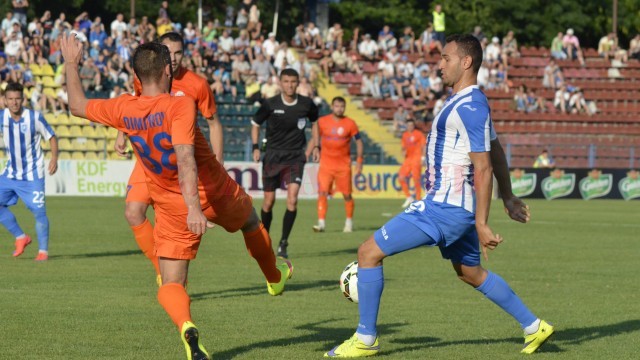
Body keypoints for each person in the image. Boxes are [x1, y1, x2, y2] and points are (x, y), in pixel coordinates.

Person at [61, 33, 292, 360]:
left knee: (171, 282)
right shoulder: (180, 104)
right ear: (168, 70)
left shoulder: (124, 107)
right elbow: (186, 159)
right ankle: (274, 278)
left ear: (137, 77)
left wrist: (71, 63)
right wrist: (196, 208)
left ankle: (186, 326)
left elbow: (76, 106)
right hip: (213, 192)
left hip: (169, 206)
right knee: (252, 222)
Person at [324, 34, 554, 358]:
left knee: (368, 253)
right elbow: (497, 149)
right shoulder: (472, 102)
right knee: (471, 273)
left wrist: (483, 222)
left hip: (443, 209)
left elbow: (485, 166)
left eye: (445, 58)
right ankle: (534, 326)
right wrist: (509, 196)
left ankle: (365, 339)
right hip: (454, 209)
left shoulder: (471, 106)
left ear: (466, 62)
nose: (439, 64)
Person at [114, 32, 224, 282]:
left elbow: (215, 125)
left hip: (182, 167)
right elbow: (136, 105)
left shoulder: (197, 84)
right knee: (133, 212)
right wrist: (122, 132)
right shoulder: (146, 77)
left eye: (178, 53)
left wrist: (218, 164)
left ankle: (173, 280)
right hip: (150, 162)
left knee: (182, 227)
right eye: (168, 52)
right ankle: (159, 270)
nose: (173, 58)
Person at [252, 68, 319, 259]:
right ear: (280, 83)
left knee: (292, 199)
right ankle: (264, 238)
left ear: (298, 83)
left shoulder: (307, 104)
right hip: (273, 156)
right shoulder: (270, 104)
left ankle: (283, 242)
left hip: (295, 157)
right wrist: (256, 147)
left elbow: (315, 123)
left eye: (293, 82)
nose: (290, 85)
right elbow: (255, 124)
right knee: (268, 202)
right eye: (286, 81)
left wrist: (315, 146)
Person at [0, 82, 58, 261]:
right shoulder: (2, 117)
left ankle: (43, 252)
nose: (14, 102)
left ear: (23, 99)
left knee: (39, 213)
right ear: (5, 100)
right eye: (10, 99)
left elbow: (51, 136)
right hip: (10, 174)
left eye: (17, 99)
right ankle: (20, 237)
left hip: (33, 175)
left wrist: (54, 158)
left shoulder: (34, 117)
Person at [311, 97, 363, 233]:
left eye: (341, 106)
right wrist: (307, 153)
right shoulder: (323, 122)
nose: (339, 108)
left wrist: (359, 160)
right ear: (332, 106)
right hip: (326, 165)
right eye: (336, 106)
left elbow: (359, 142)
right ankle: (321, 223)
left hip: (343, 167)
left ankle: (348, 222)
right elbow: (314, 138)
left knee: (346, 195)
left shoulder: (350, 123)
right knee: (322, 192)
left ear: (344, 107)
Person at [398, 119, 426, 208]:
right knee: (401, 177)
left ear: (413, 126)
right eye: (408, 125)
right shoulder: (405, 135)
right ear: (406, 126)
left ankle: (418, 199)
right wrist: (403, 152)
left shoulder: (418, 134)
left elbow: (424, 146)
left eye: (411, 125)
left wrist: (423, 157)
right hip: (408, 159)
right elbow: (403, 147)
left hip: (416, 159)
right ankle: (409, 197)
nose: (410, 126)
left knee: (416, 179)